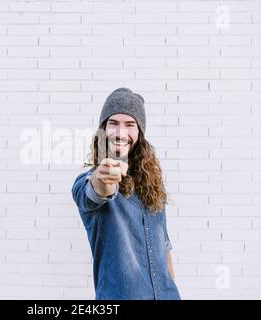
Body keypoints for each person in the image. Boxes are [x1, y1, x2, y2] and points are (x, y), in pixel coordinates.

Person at [71, 88, 181, 300]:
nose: (121, 133)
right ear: (103, 130)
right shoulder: (90, 180)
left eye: (130, 124)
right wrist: (103, 178)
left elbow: (165, 250)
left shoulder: (152, 187)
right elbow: (97, 191)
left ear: (139, 133)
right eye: (113, 123)